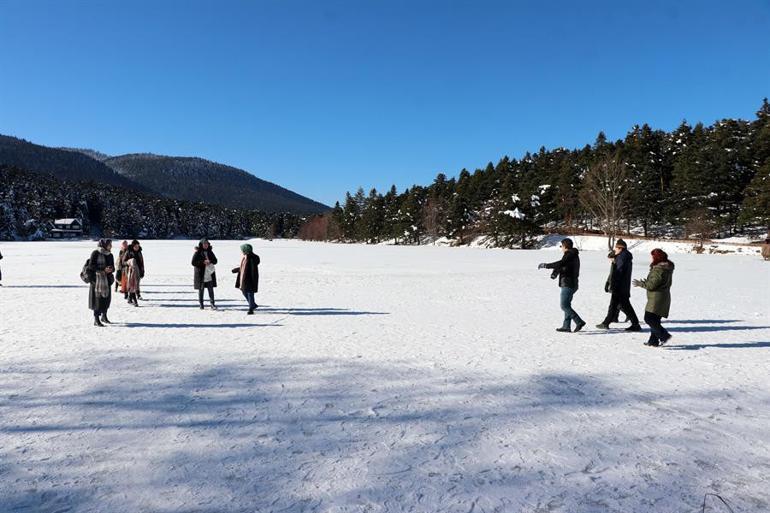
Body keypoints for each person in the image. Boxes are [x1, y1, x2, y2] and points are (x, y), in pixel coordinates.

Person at [538, 238, 586, 333]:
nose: (561, 248)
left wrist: (546, 265)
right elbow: (563, 265)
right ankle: (566, 326)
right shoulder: (571, 255)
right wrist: (555, 273)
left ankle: (579, 321)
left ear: (564, 246)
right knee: (567, 305)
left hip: (568, 283)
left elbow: (561, 263)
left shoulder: (570, 255)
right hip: (571, 283)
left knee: (564, 306)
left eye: (561, 246)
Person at [596, 239, 641, 331]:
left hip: (620, 286)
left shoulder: (621, 258)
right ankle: (634, 324)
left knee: (617, 305)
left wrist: (613, 284)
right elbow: (612, 256)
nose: (615, 249)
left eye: (616, 247)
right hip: (622, 286)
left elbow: (618, 272)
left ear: (620, 248)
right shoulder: (623, 256)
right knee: (622, 305)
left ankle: (607, 323)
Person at [633, 249, 675, 347]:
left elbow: (652, 285)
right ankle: (653, 341)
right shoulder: (666, 267)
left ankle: (664, 335)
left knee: (649, 318)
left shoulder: (659, 269)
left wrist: (641, 283)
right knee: (655, 320)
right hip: (663, 296)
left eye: (653, 256)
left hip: (656, 298)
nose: (651, 258)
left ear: (657, 257)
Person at [88, 239, 115, 327]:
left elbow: (113, 267)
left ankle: (104, 316)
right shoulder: (95, 253)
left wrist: (110, 269)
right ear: (104, 245)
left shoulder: (110, 255)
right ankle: (96, 319)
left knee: (106, 299)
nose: (111, 246)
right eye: (109, 245)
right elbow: (91, 266)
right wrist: (103, 270)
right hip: (96, 280)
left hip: (107, 280)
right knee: (97, 301)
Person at [232, 243, 260, 315]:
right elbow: (244, 267)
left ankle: (251, 308)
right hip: (243, 278)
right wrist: (236, 270)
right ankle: (253, 305)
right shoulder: (245, 257)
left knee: (250, 293)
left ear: (246, 250)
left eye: (242, 250)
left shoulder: (251, 259)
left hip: (249, 279)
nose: (241, 251)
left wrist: (253, 280)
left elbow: (253, 270)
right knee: (244, 291)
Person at [192, 238, 218, 310]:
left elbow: (215, 261)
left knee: (211, 290)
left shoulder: (210, 252)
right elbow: (193, 262)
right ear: (201, 244)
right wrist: (203, 262)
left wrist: (210, 261)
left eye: (207, 244)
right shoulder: (197, 252)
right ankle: (201, 304)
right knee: (201, 290)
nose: (206, 245)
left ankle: (212, 304)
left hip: (209, 273)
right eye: (204, 244)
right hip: (201, 274)